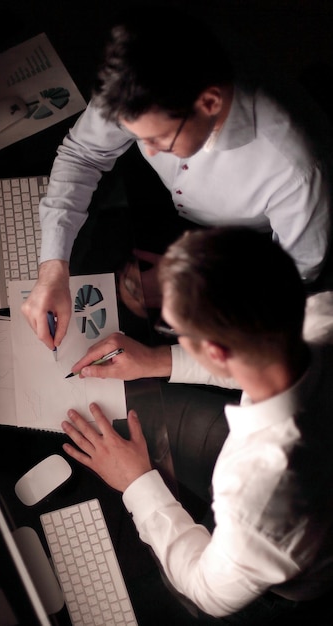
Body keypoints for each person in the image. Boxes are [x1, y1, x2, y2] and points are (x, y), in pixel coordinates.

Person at [60, 227, 333, 622]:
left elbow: (208, 591)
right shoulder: (321, 313)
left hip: (275, 582)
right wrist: (157, 360)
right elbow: (265, 355)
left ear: (216, 351)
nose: (174, 337)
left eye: (177, 332)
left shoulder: (258, 488)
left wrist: (137, 482)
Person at [21, 6, 332, 349]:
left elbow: (289, 279)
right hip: (165, 208)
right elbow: (83, 153)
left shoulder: (295, 171)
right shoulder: (140, 71)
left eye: (158, 139)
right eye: (138, 136)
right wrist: (53, 268)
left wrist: (192, 283)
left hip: (245, 250)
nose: (148, 152)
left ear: (209, 103)